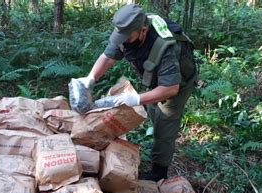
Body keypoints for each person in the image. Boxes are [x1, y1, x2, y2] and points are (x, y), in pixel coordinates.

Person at [73, 4, 198, 181]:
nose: (122, 41)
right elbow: (108, 57)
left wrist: (134, 99)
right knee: (154, 113)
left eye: (127, 38)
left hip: (177, 84)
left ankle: (159, 172)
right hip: (156, 78)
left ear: (143, 31)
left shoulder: (164, 46)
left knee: (164, 123)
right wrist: (90, 78)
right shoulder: (127, 32)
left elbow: (170, 88)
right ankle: (156, 141)